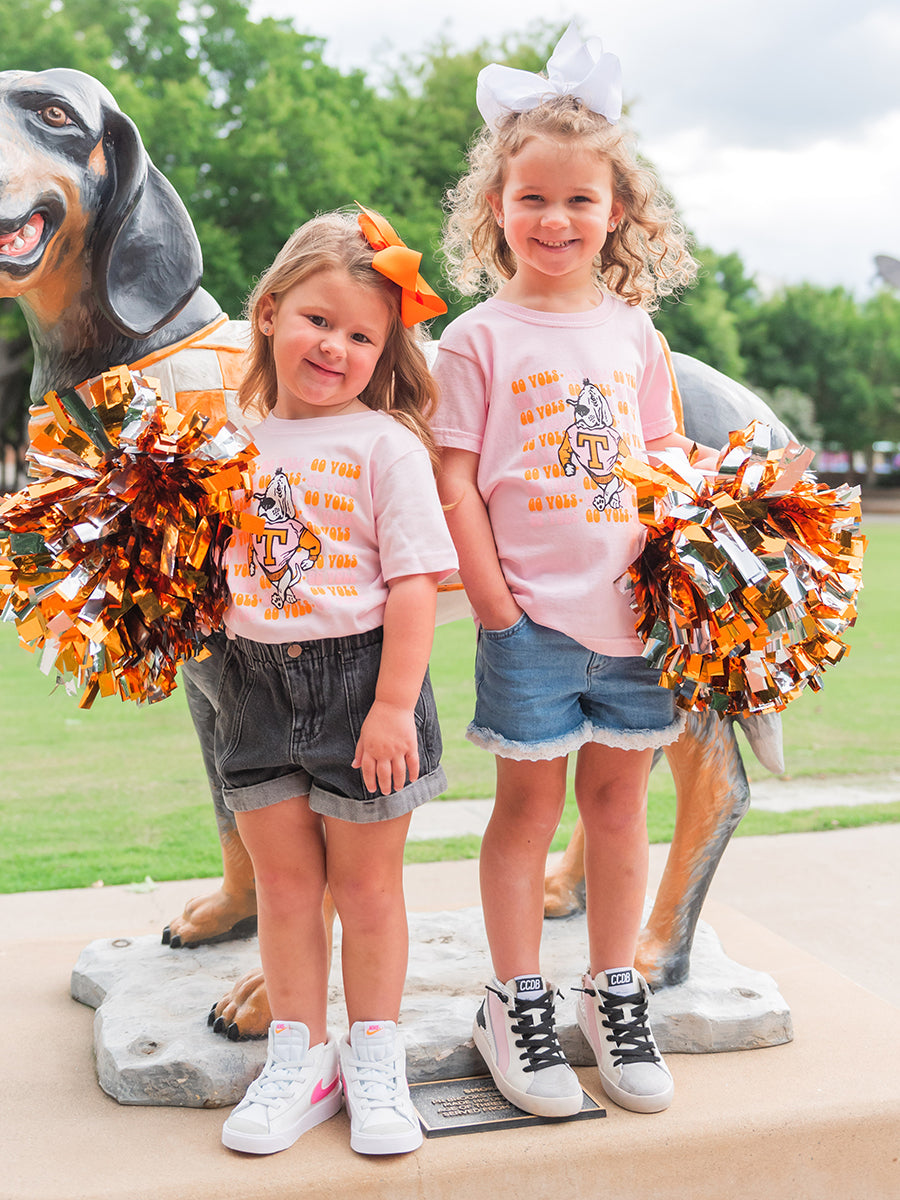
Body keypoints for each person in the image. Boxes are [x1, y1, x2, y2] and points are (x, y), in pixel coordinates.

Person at [433, 25, 717, 1118]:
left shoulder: (635, 331)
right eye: (532, 199)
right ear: (495, 209)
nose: (556, 221)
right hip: (531, 626)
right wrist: (500, 606)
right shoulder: (478, 340)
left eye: (580, 202)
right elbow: (455, 481)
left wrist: (683, 580)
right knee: (526, 812)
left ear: (620, 213)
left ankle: (612, 996)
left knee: (617, 809)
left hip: (634, 620)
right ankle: (517, 1005)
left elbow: (663, 465)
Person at [217, 207, 457, 1157]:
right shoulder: (230, 444)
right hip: (253, 688)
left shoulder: (385, 445)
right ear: (270, 312)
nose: (338, 346)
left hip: (363, 686)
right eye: (320, 320)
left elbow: (413, 588)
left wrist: (394, 705)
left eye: (364, 336)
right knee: (282, 888)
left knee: (367, 893)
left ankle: (375, 1055)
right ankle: (299, 1054)